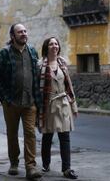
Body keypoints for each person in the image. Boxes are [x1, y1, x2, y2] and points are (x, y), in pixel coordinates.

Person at [0, 23, 42, 179]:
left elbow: (37, 75)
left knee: (30, 133)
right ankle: (14, 162)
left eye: (25, 31)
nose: (24, 34)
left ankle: (30, 167)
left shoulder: (33, 52)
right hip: (11, 103)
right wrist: (5, 98)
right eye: (20, 32)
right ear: (12, 36)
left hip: (30, 102)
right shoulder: (4, 53)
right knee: (12, 134)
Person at [37, 37, 78, 179]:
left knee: (65, 136)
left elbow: (69, 85)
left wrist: (74, 105)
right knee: (47, 136)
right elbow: (37, 88)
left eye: (56, 44)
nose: (54, 46)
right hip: (47, 105)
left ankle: (67, 169)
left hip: (63, 103)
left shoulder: (62, 63)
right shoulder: (40, 65)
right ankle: (46, 164)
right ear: (46, 47)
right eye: (51, 44)